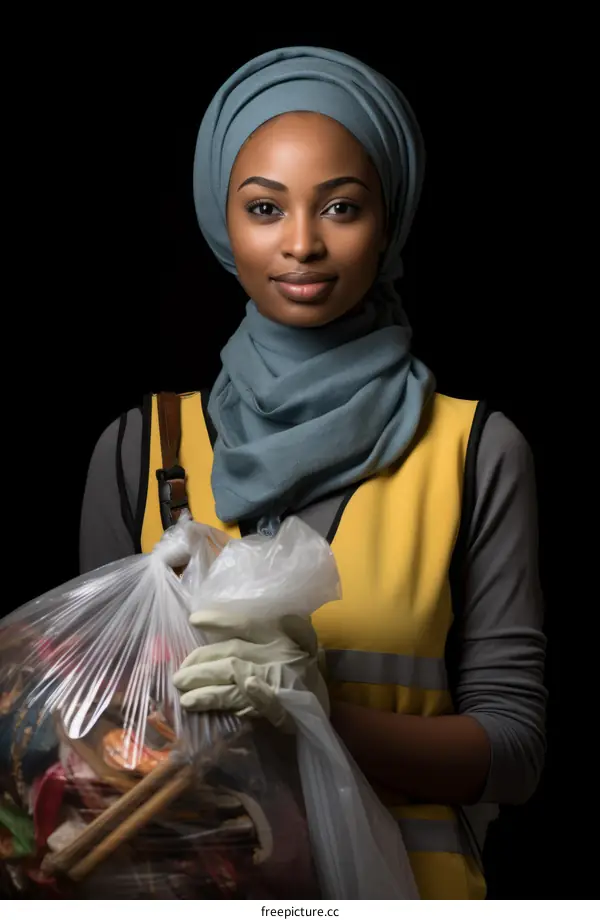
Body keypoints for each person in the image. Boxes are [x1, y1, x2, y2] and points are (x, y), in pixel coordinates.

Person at [79, 47, 547, 899]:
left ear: (389, 219)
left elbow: (514, 754)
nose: (301, 243)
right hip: (192, 896)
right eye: (264, 208)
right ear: (222, 223)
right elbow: (91, 743)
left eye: (341, 207)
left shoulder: (476, 450)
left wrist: (313, 707)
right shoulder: (143, 449)